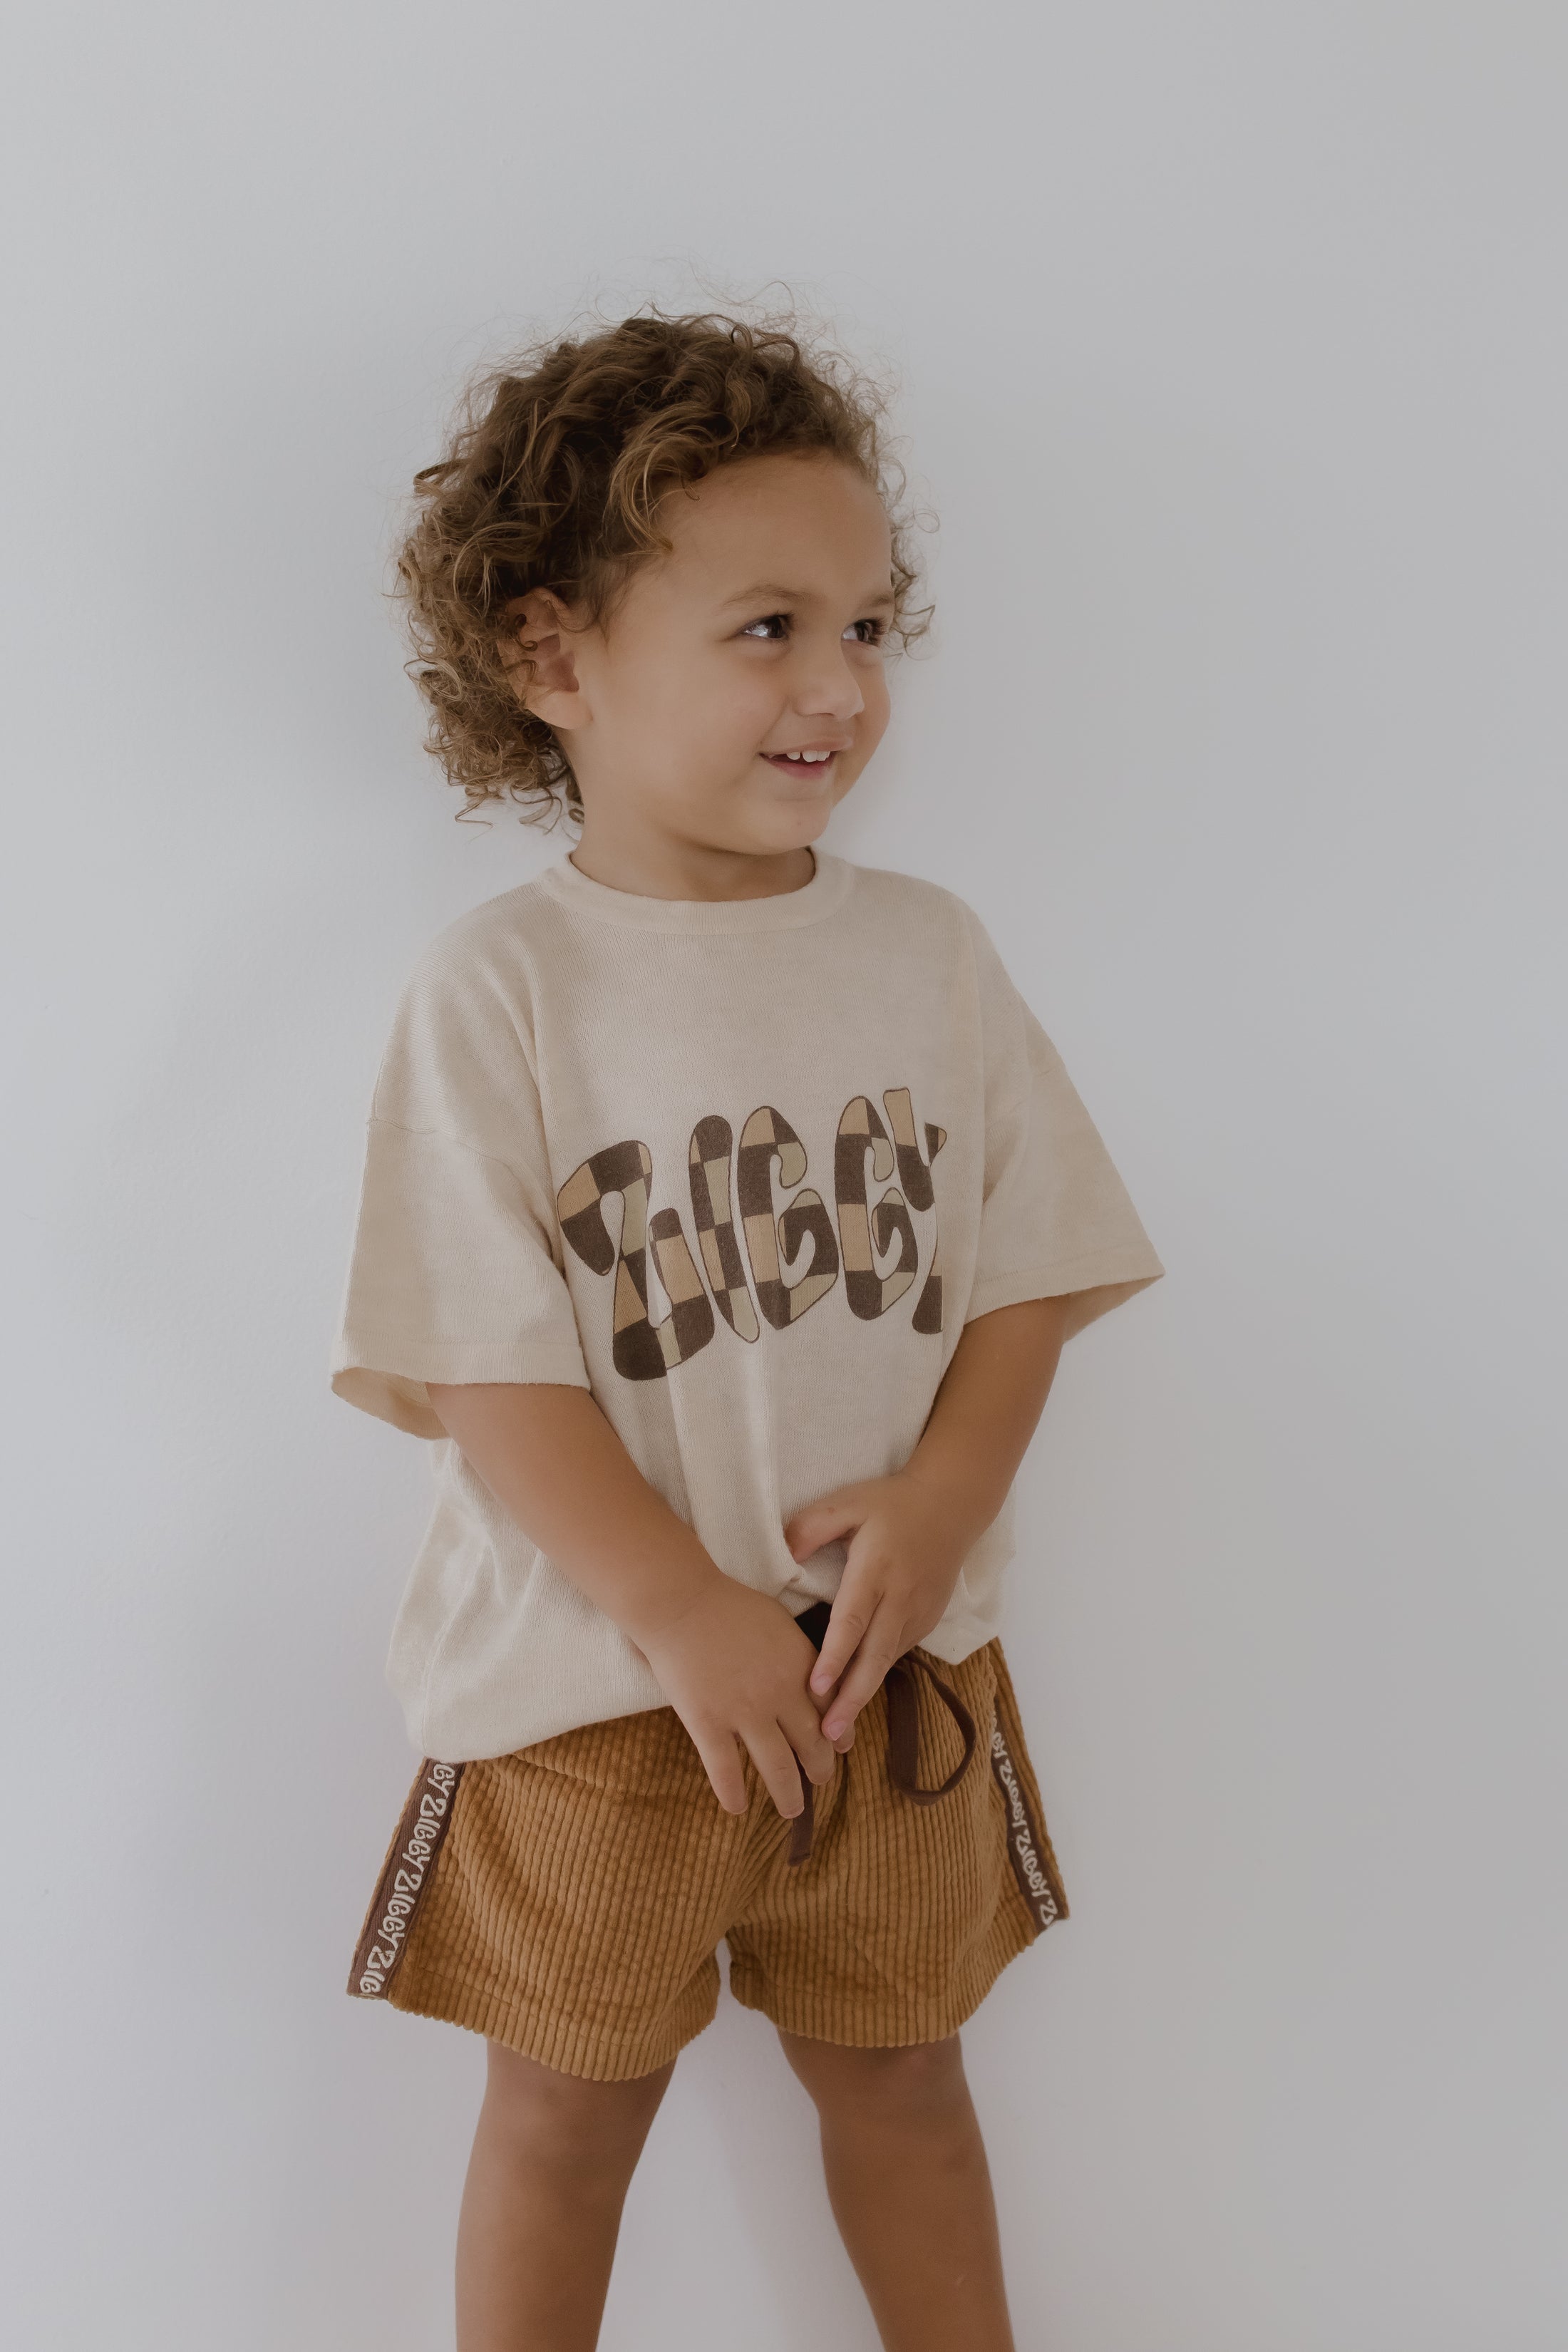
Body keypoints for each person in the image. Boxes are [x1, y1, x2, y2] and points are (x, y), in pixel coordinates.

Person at [332, 304, 1164, 2352]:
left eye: (869, 627)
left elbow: (1033, 1266)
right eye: (769, 628)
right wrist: (679, 1609)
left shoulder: (929, 956)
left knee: (906, 2078)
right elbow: (481, 1364)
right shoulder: (505, 989)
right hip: (602, 1701)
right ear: (553, 656)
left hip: (890, 1672)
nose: (840, 686)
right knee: (565, 2114)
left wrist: (944, 1500)